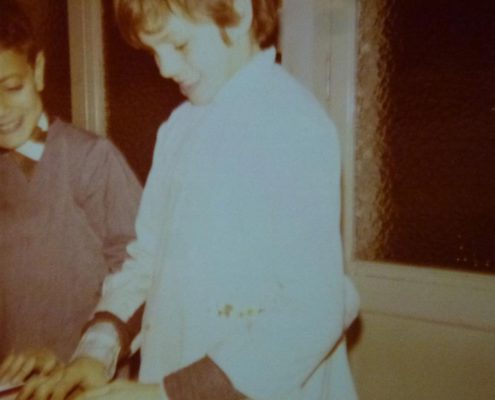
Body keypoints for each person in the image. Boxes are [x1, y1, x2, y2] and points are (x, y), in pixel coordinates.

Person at [19, 0, 360, 399]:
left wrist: (168, 393)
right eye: (154, 52)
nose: (165, 68)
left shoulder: (293, 126)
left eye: (179, 45)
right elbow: (148, 262)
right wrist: (97, 350)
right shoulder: (178, 129)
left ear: (238, 13)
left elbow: (315, 310)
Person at [0, 0, 142, 386]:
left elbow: (138, 268)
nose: (2, 109)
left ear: (38, 71)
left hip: (88, 381)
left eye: (12, 87)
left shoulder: (90, 160)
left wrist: (95, 350)